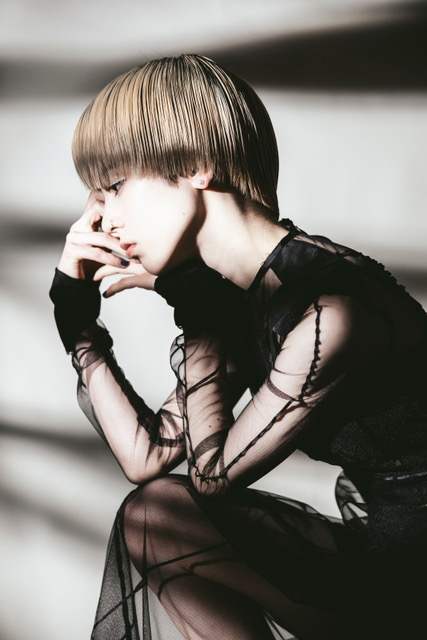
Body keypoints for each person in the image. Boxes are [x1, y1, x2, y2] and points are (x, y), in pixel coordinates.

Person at [49, 54, 427, 640]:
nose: (101, 221)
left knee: (166, 512)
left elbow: (214, 477)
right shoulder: (239, 297)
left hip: (414, 580)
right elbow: (145, 458)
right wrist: (77, 324)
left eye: (115, 187)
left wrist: (195, 307)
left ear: (197, 165)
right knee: (152, 517)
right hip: (380, 557)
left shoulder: (332, 308)